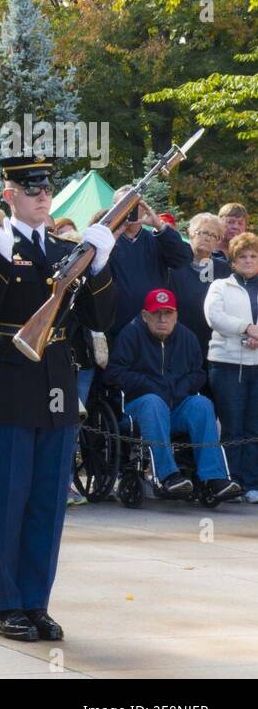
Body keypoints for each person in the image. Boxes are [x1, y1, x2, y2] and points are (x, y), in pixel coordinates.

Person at [0, 155, 116, 641]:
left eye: (46, 188)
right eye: (29, 190)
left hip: (56, 379)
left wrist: (102, 267)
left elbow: (101, 318)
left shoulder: (66, 249)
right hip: (8, 379)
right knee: (7, 498)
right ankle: (5, 604)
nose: (41, 195)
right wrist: (3, 258)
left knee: (49, 500)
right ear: (10, 196)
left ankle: (36, 602)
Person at [106, 289, 241, 502]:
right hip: (138, 408)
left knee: (202, 404)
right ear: (144, 315)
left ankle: (214, 479)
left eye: (168, 313)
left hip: (176, 405)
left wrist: (180, 388)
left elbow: (198, 373)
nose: (162, 319)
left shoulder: (187, 337)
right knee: (153, 402)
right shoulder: (131, 334)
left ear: (176, 315)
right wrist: (150, 385)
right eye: (156, 313)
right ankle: (167, 476)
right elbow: (114, 372)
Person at [204, 232, 258, 503]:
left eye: (253, 256)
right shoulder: (220, 286)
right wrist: (245, 329)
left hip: (256, 364)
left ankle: (251, 483)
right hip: (226, 365)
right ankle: (231, 480)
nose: (248, 261)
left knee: (254, 426)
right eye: (242, 257)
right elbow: (214, 316)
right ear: (233, 262)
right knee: (232, 425)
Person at [107, 187, 192, 338]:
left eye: (134, 205)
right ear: (114, 209)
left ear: (144, 207)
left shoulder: (158, 240)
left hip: (152, 328)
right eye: (122, 205)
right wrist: (113, 234)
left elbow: (182, 259)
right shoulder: (109, 242)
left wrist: (159, 226)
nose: (129, 210)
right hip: (115, 328)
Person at [169, 212, 231, 369]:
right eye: (203, 232)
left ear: (218, 241)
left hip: (211, 345)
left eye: (213, 235)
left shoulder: (224, 270)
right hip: (176, 341)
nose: (207, 238)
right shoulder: (173, 263)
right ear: (190, 233)